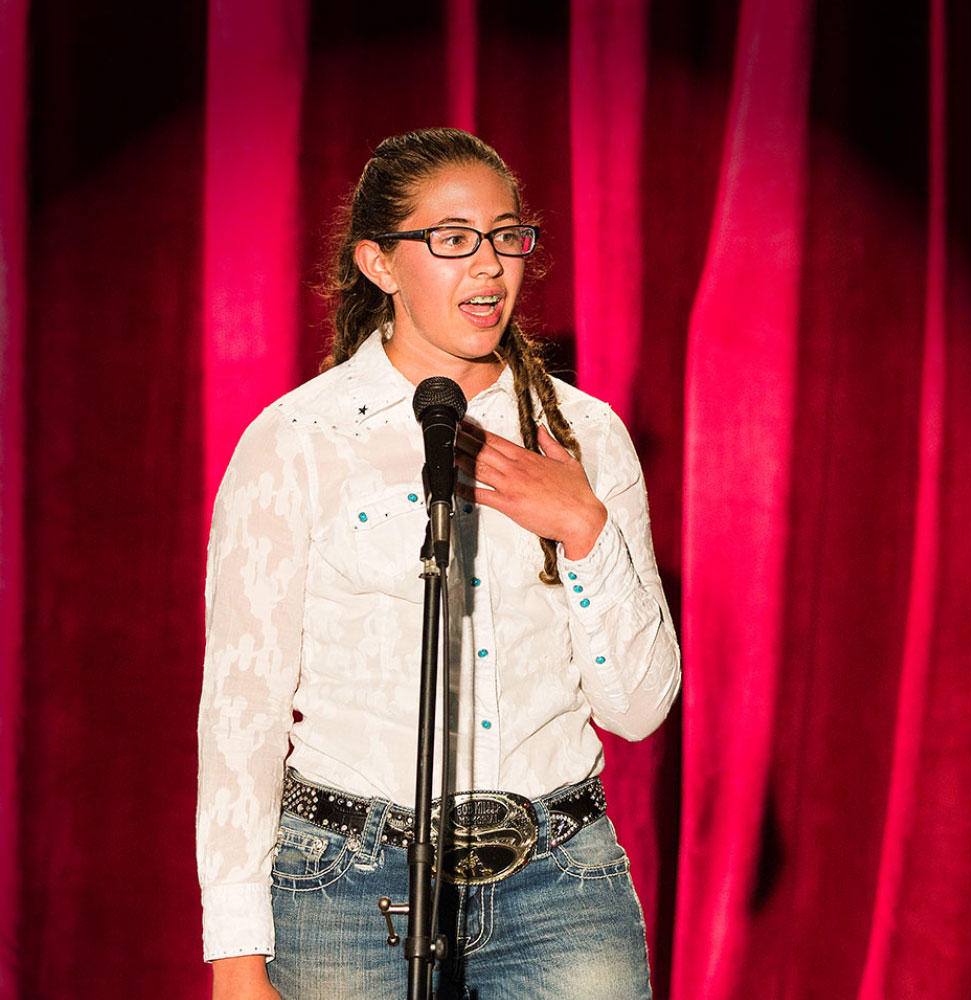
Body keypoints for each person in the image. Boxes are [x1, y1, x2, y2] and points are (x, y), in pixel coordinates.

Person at [197, 127, 680, 1000]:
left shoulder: (586, 435)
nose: (489, 266)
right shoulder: (300, 442)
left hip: (561, 881)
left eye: (506, 237)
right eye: (452, 239)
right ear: (380, 264)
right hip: (345, 884)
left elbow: (640, 709)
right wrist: (235, 952)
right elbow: (242, 711)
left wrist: (582, 529)